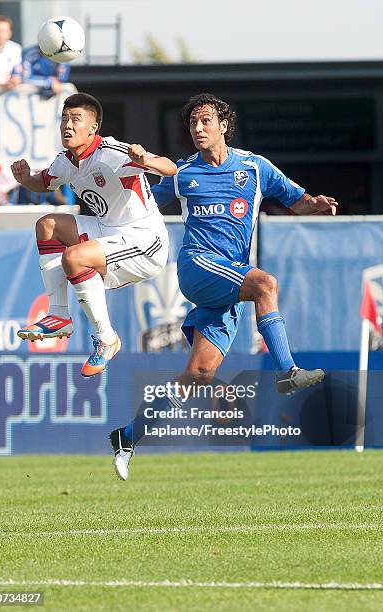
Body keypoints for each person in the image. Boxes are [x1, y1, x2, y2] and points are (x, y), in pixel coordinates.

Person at [109, 92, 338, 480]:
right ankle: (287, 371)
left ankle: (127, 436)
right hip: (198, 267)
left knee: (198, 375)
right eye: (193, 124)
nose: (197, 129)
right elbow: (139, 203)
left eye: (205, 122)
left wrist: (314, 204)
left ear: (223, 125)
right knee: (265, 284)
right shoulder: (182, 173)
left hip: (230, 281)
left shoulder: (254, 167)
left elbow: (296, 200)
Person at [11, 92, 177, 377]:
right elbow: (45, 182)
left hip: (145, 240)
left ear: (93, 128)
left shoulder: (111, 153)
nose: (68, 125)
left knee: (75, 258)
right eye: (64, 119)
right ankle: (60, 315)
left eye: (76, 119)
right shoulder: (66, 161)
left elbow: (169, 167)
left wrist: (144, 160)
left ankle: (106, 338)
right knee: (47, 225)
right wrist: (26, 180)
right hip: (110, 229)